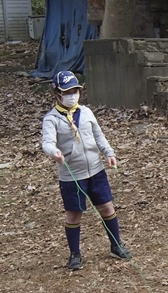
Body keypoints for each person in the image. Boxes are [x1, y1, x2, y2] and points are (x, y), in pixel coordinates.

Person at [41, 71, 132, 271]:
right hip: (72, 175)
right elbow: (47, 142)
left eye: (75, 90)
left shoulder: (86, 112)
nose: (72, 94)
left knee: (107, 207)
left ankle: (116, 245)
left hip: (96, 170)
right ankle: (75, 253)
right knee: (74, 214)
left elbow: (98, 136)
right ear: (57, 94)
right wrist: (54, 152)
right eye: (67, 91)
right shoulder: (52, 119)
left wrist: (109, 153)